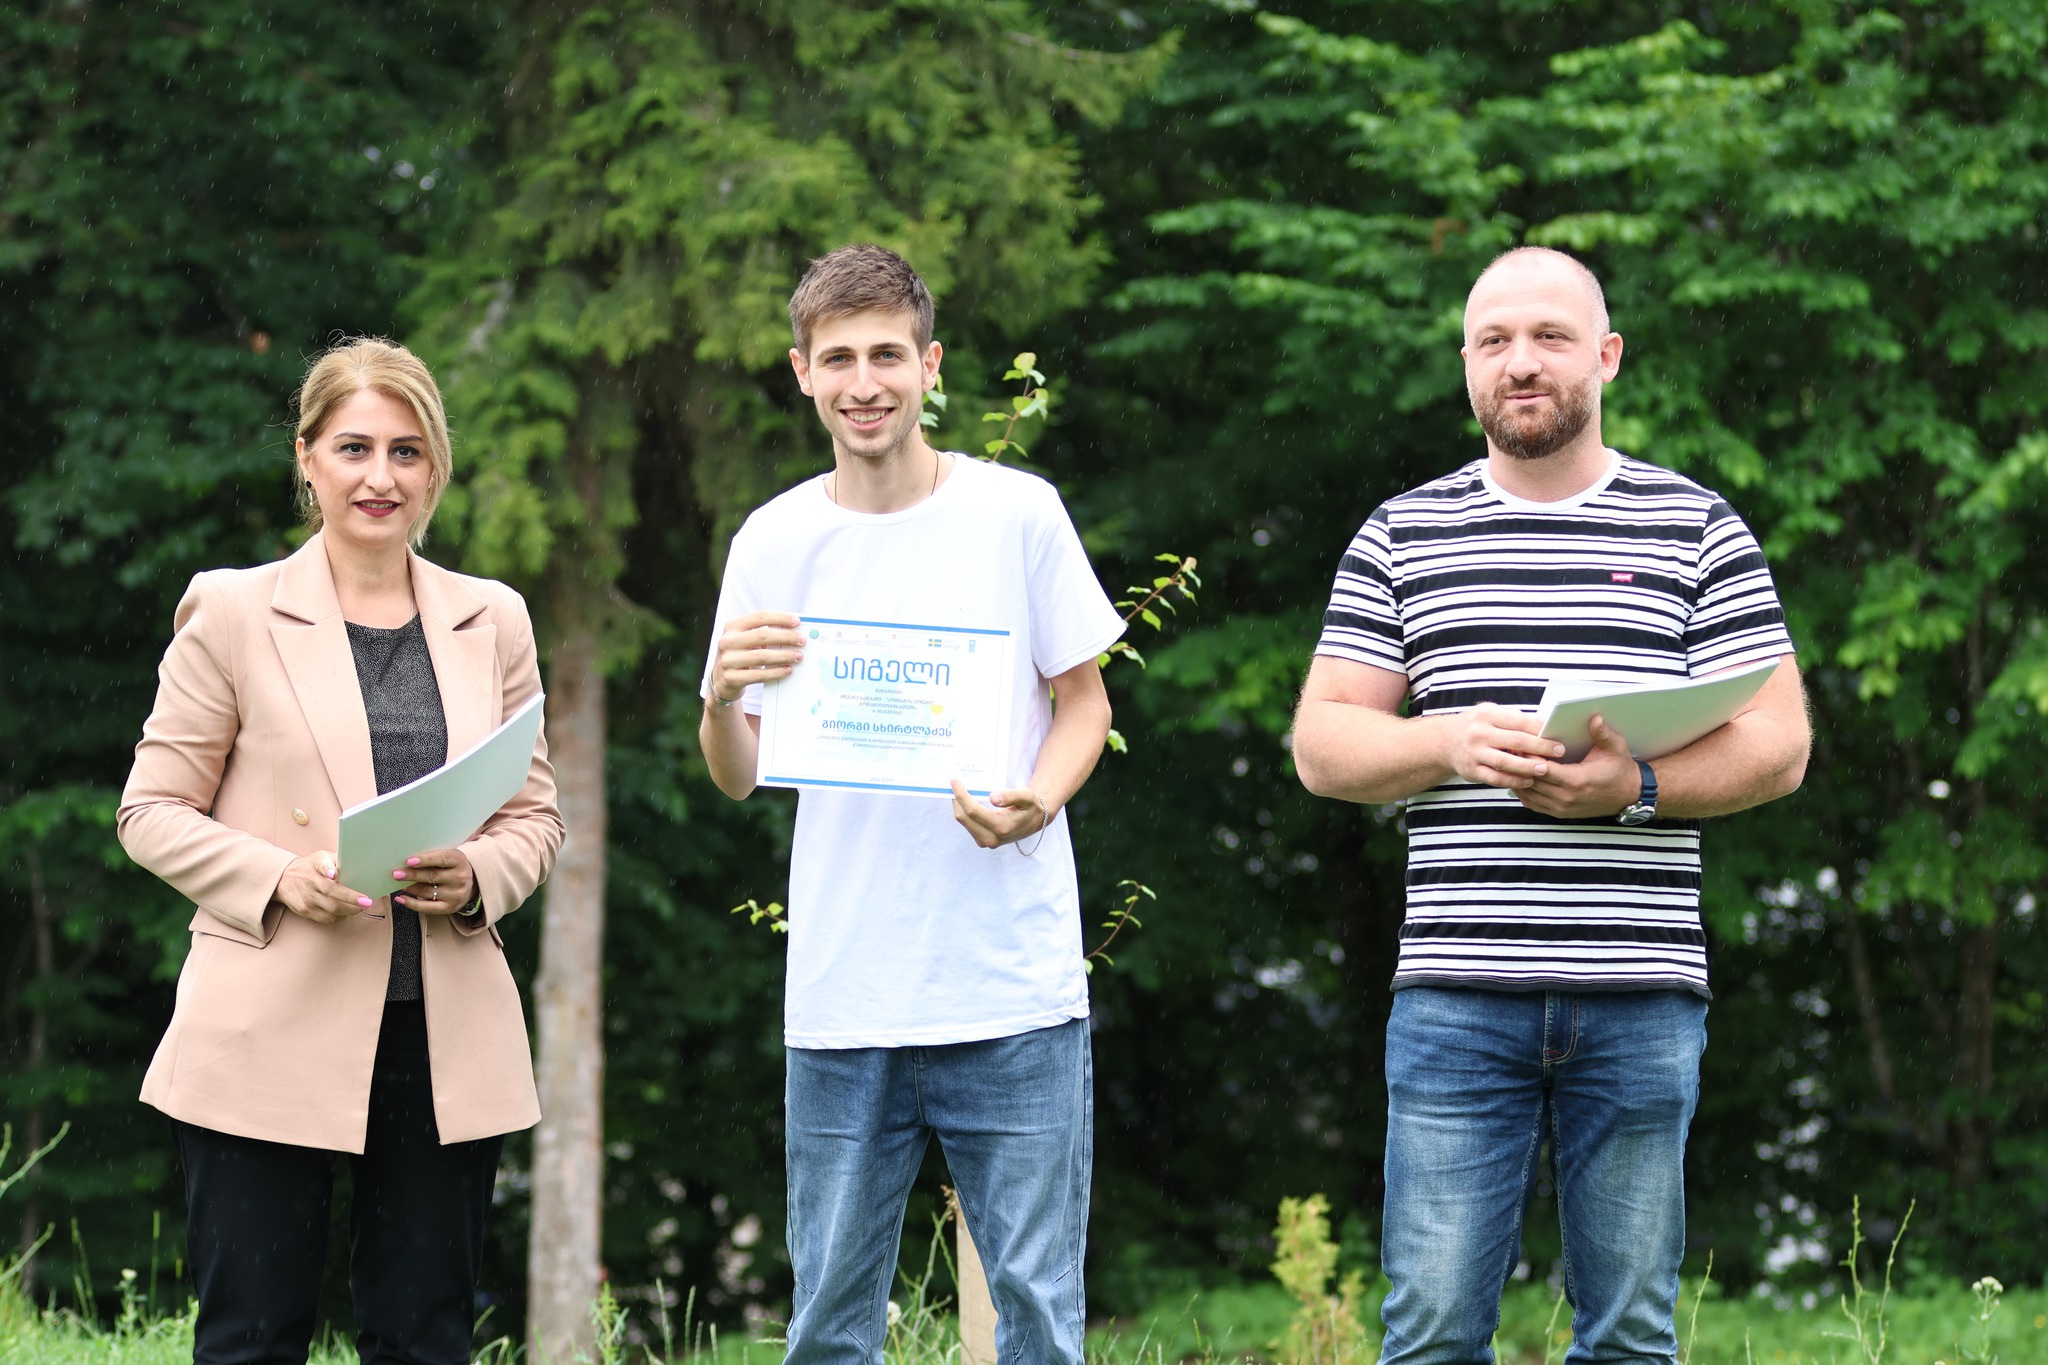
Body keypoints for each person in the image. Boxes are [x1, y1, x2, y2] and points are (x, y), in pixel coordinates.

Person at [1292, 247, 1810, 1362]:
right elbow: (1322, 746)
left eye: (1549, 337)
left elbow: (1779, 746)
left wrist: (1636, 788)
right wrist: (1444, 742)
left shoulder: (1695, 527)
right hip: (1454, 997)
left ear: (1606, 357)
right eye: (1494, 341)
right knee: (1431, 1333)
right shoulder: (1402, 533)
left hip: (1640, 995)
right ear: (1466, 364)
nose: (1519, 362)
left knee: (1628, 1338)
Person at [698, 244, 1122, 1365]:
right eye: (837, 358)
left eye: (887, 355)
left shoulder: (1017, 514)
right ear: (801, 372)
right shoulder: (773, 539)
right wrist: (721, 697)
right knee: (828, 1328)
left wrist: (1038, 799)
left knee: (1039, 1319)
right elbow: (737, 772)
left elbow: (1083, 703)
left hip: (1010, 985)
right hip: (844, 992)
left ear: (930, 366)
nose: (864, 382)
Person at [118, 337, 563, 1365]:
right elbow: (151, 810)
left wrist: (477, 877)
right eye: (354, 448)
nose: (380, 476)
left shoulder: (494, 617)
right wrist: (276, 876)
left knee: (426, 1340)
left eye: (407, 451)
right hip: (266, 1024)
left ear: (435, 467)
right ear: (307, 458)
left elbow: (534, 819)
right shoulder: (232, 610)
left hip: (440, 1036)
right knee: (252, 1338)